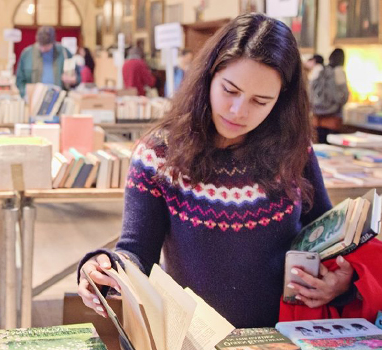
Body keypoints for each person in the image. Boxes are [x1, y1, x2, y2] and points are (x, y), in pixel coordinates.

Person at [76, 14, 357, 328]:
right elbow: (137, 250)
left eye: (260, 101)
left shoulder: (293, 150)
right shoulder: (158, 155)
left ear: (281, 102)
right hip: (191, 338)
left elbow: (327, 236)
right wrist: (103, 268)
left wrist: (341, 279)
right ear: (209, 75)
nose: (238, 112)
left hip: (280, 337)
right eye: (230, 90)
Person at [14, 26, 80, 97]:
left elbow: (78, 77)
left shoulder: (64, 53)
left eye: (46, 46)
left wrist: (73, 80)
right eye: (41, 45)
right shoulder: (27, 54)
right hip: (34, 98)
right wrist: (26, 94)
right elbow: (19, 81)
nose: (43, 48)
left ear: (53, 42)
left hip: (59, 98)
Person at [311, 49, 349, 144]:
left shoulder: (320, 69)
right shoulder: (339, 72)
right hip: (333, 118)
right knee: (332, 146)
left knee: (319, 145)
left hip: (317, 116)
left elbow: (310, 89)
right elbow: (344, 96)